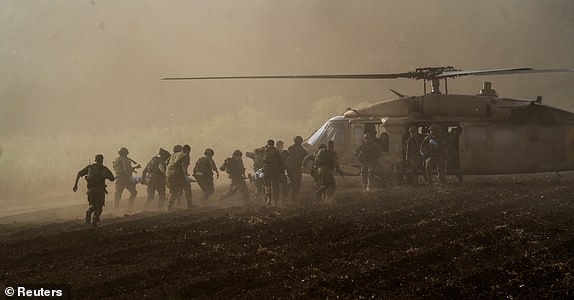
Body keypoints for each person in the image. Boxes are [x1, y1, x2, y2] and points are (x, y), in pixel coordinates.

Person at [73, 154, 115, 227]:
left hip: (91, 191)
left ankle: (88, 221)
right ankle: (94, 221)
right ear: (102, 160)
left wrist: (75, 185)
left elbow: (79, 174)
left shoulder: (90, 167)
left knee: (92, 206)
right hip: (100, 191)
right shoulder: (104, 169)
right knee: (99, 208)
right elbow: (112, 178)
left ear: (95, 160)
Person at [166, 144, 192, 210]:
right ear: (187, 150)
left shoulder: (173, 155)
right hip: (177, 175)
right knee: (187, 187)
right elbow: (184, 166)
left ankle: (169, 206)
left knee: (174, 190)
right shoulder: (185, 155)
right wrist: (186, 176)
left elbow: (167, 163)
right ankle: (189, 204)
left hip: (169, 175)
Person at [286, 136, 308, 201]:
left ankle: (287, 193)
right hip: (296, 168)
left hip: (291, 168)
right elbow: (306, 156)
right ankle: (291, 197)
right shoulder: (301, 149)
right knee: (297, 183)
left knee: (294, 183)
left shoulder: (290, 148)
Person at [262, 139, 284, 205]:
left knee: (267, 185)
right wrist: (282, 170)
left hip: (266, 170)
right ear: (273, 144)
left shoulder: (264, 150)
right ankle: (275, 201)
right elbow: (280, 161)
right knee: (275, 186)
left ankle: (269, 198)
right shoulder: (276, 151)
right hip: (275, 170)